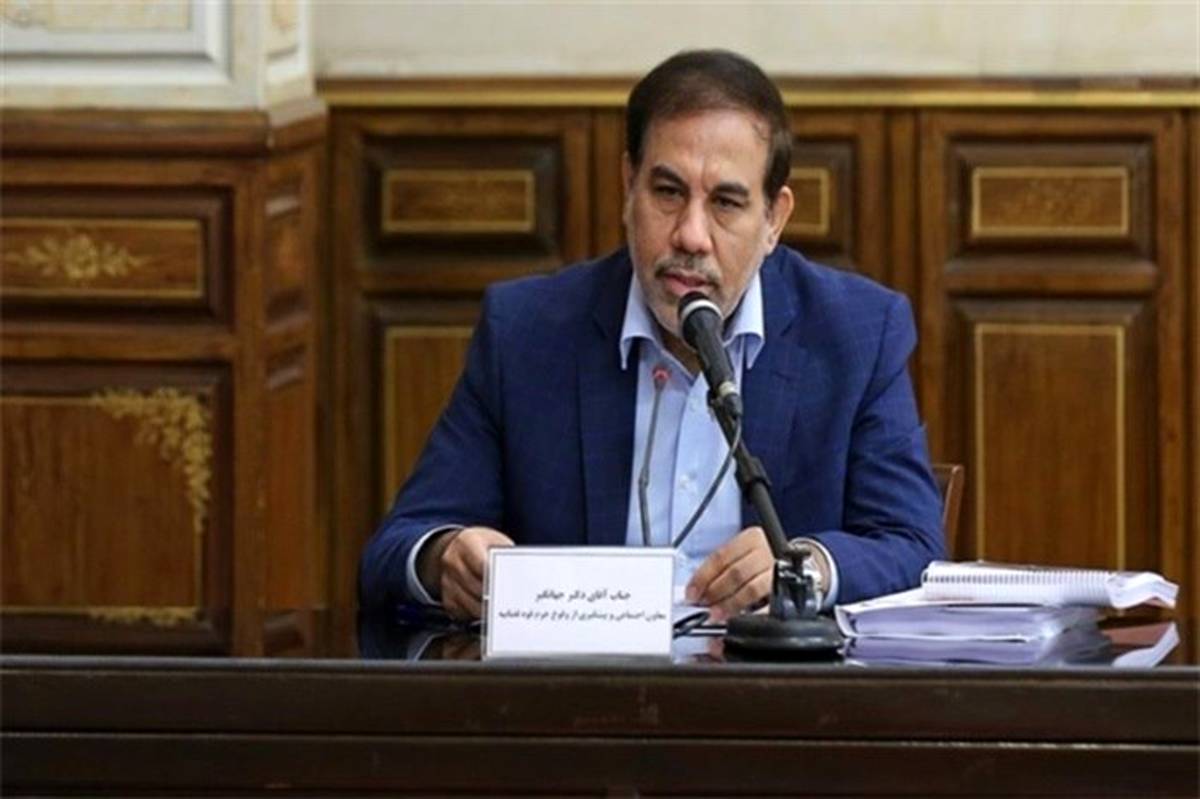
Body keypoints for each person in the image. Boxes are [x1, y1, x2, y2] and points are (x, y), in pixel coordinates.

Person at [360, 49, 944, 621]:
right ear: (628, 186)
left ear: (774, 220)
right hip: (582, 682)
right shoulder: (527, 332)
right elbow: (396, 548)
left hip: (770, 682)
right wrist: (444, 557)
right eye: (668, 193)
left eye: (726, 203)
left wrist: (806, 566)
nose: (691, 235)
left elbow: (914, 545)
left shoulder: (855, 334)